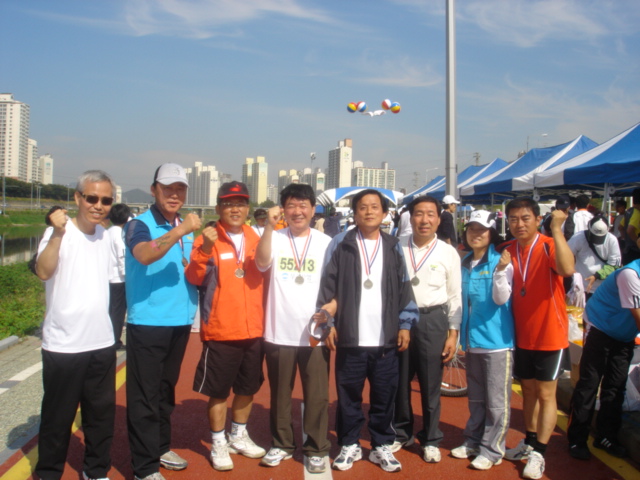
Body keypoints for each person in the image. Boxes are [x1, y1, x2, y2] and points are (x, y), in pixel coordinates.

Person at [317, 189, 418, 473]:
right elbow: (328, 284)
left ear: (385, 214)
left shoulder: (393, 245)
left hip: (386, 337)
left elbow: (404, 286)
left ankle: (381, 445)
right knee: (349, 395)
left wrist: (406, 323)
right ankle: (349, 444)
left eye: (375, 207)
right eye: (363, 207)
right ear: (355, 213)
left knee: (384, 395)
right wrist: (329, 324)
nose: (369, 212)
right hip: (350, 335)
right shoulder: (341, 242)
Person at [34, 170, 117, 480]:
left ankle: (96, 471)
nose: (98, 205)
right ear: (78, 198)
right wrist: (56, 233)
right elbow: (43, 271)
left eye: (106, 200)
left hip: (101, 342)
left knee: (101, 417)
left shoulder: (106, 236)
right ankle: (48, 473)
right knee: (57, 418)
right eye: (91, 198)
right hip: (63, 345)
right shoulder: (60, 232)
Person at [124, 163, 200, 480]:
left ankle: (159, 447)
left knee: (165, 391)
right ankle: (144, 468)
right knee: (144, 394)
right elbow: (143, 254)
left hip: (179, 321)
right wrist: (179, 232)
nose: (174, 194)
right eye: (167, 187)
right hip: (148, 322)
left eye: (180, 188)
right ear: (154, 189)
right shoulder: (138, 224)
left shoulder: (187, 227)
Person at [185, 181, 266, 472]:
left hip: (254, 329)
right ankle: (218, 441)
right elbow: (194, 277)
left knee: (248, 388)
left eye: (241, 203)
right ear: (219, 207)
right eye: (229, 203)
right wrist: (205, 248)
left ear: (248, 208)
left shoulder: (255, 237)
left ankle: (238, 435)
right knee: (218, 392)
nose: (236, 208)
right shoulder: (207, 238)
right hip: (221, 329)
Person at [255, 184, 333, 473]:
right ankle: (282, 444)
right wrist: (268, 228)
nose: (297, 211)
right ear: (283, 209)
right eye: (291, 205)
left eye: (303, 205)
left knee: (316, 395)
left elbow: (334, 286)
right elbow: (262, 263)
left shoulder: (326, 242)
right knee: (280, 394)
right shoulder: (274, 238)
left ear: (313, 210)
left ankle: (316, 447)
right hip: (278, 330)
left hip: (315, 333)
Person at [503, 197, 574, 480]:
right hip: (521, 335)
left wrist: (557, 229)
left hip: (549, 334)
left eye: (525, 218)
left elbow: (568, 270)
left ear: (536, 219)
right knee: (529, 392)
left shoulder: (548, 244)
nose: (519, 224)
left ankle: (539, 453)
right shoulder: (507, 249)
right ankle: (529, 441)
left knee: (546, 394)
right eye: (513, 219)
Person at [392, 196, 462, 463]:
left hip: (433, 320)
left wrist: (453, 332)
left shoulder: (448, 252)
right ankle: (401, 433)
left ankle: (431, 438)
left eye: (430, 214)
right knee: (400, 381)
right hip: (400, 321)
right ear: (410, 217)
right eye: (419, 214)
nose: (424, 220)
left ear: (438, 218)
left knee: (431, 383)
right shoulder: (396, 246)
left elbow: (455, 295)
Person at [451, 210, 514, 470]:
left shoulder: (501, 261)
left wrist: (500, 271)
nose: (476, 234)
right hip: (472, 341)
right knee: (476, 397)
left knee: (497, 400)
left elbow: (501, 298)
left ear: (491, 234)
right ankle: (473, 440)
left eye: (482, 230)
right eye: (472, 229)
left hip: (497, 342)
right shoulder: (464, 262)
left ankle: (492, 449)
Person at [566, 258, 640, 460]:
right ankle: (577, 438)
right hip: (600, 327)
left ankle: (606, 437)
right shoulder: (631, 275)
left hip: (624, 334)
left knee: (616, 386)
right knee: (589, 383)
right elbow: (638, 315)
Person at [568, 215, 621, 299]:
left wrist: (596, 276)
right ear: (589, 230)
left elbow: (613, 265)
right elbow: (566, 255)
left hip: (603, 288)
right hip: (581, 287)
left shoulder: (612, 240)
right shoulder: (578, 238)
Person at [107, 203, 131, 349]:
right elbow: (122, 256)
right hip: (118, 279)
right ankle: (115, 340)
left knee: (111, 310)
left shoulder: (108, 231)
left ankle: (110, 338)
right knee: (118, 311)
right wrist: (127, 276)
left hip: (108, 277)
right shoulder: (119, 234)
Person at [620, 188, 640, 265]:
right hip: (635, 251)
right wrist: (637, 241)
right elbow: (630, 230)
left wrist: (626, 239)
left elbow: (620, 227)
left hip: (627, 249)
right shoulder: (637, 213)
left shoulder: (629, 211)